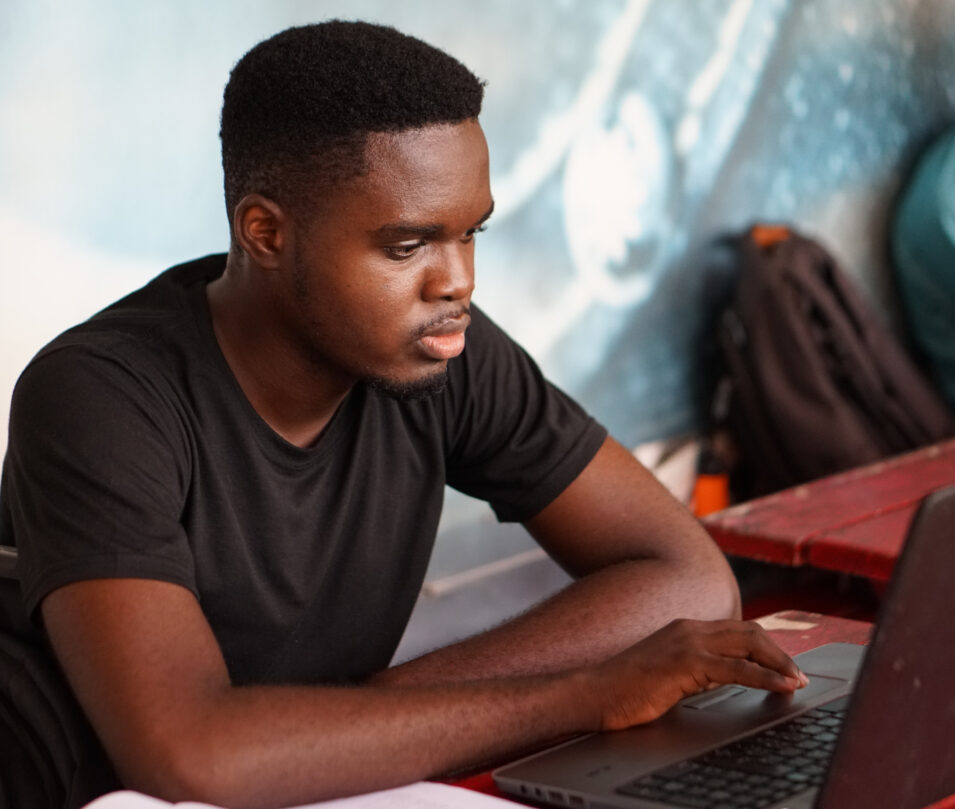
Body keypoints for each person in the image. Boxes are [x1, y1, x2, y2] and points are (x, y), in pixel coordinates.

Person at [0, 20, 807, 809]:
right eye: (407, 245)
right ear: (266, 232)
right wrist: (584, 694)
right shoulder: (100, 396)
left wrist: (360, 712)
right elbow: (193, 752)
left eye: (470, 232)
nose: (456, 280)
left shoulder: (439, 346)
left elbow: (691, 581)